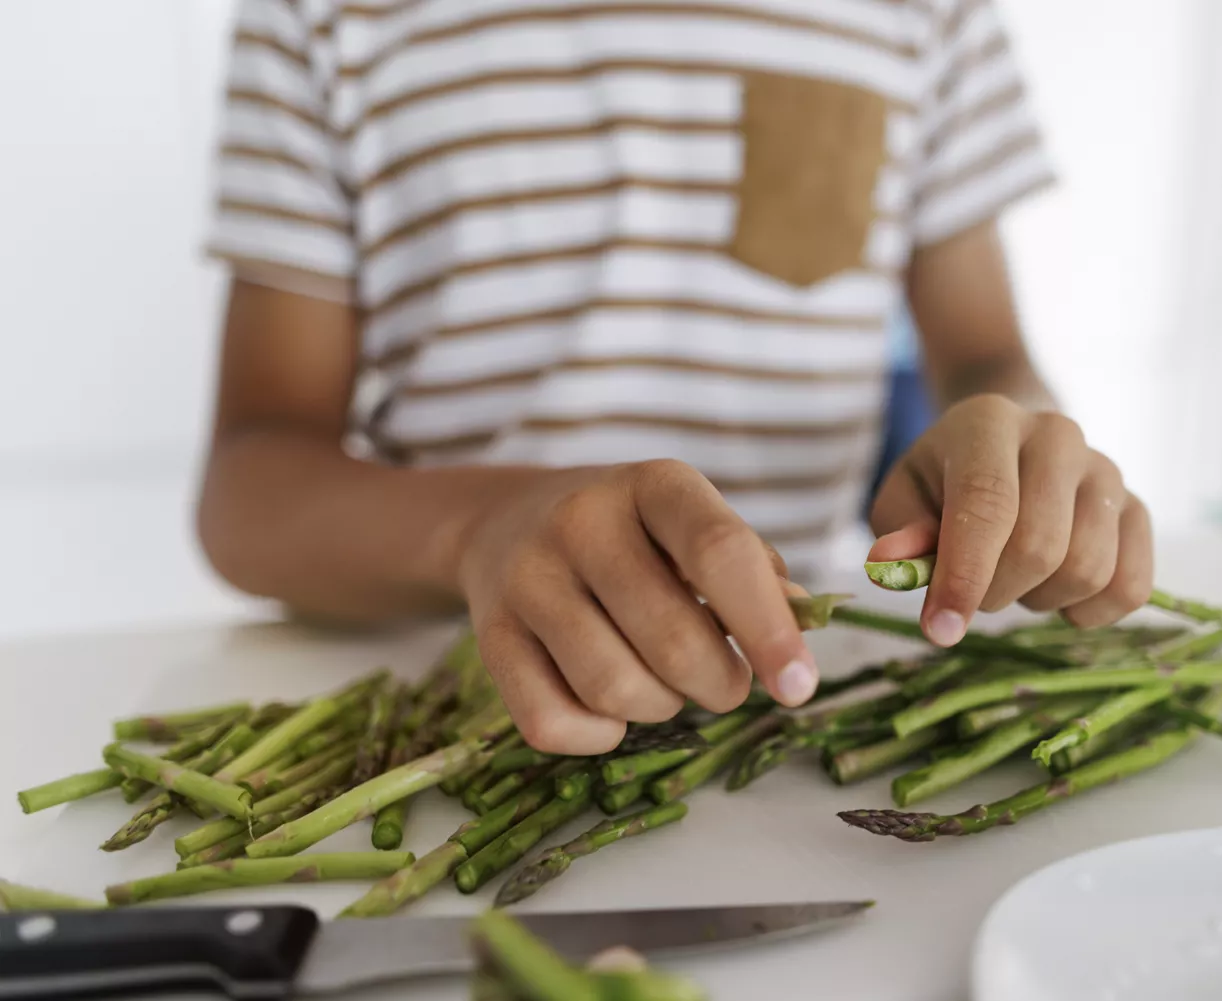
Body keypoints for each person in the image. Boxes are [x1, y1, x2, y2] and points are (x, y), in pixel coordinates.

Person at [197, 0, 1154, 757]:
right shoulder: (321, 15)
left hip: (801, 700)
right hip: (447, 693)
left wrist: (1012, 453)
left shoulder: (926, 11)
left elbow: (987, 354)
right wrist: (478, 530)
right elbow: (251, 486)